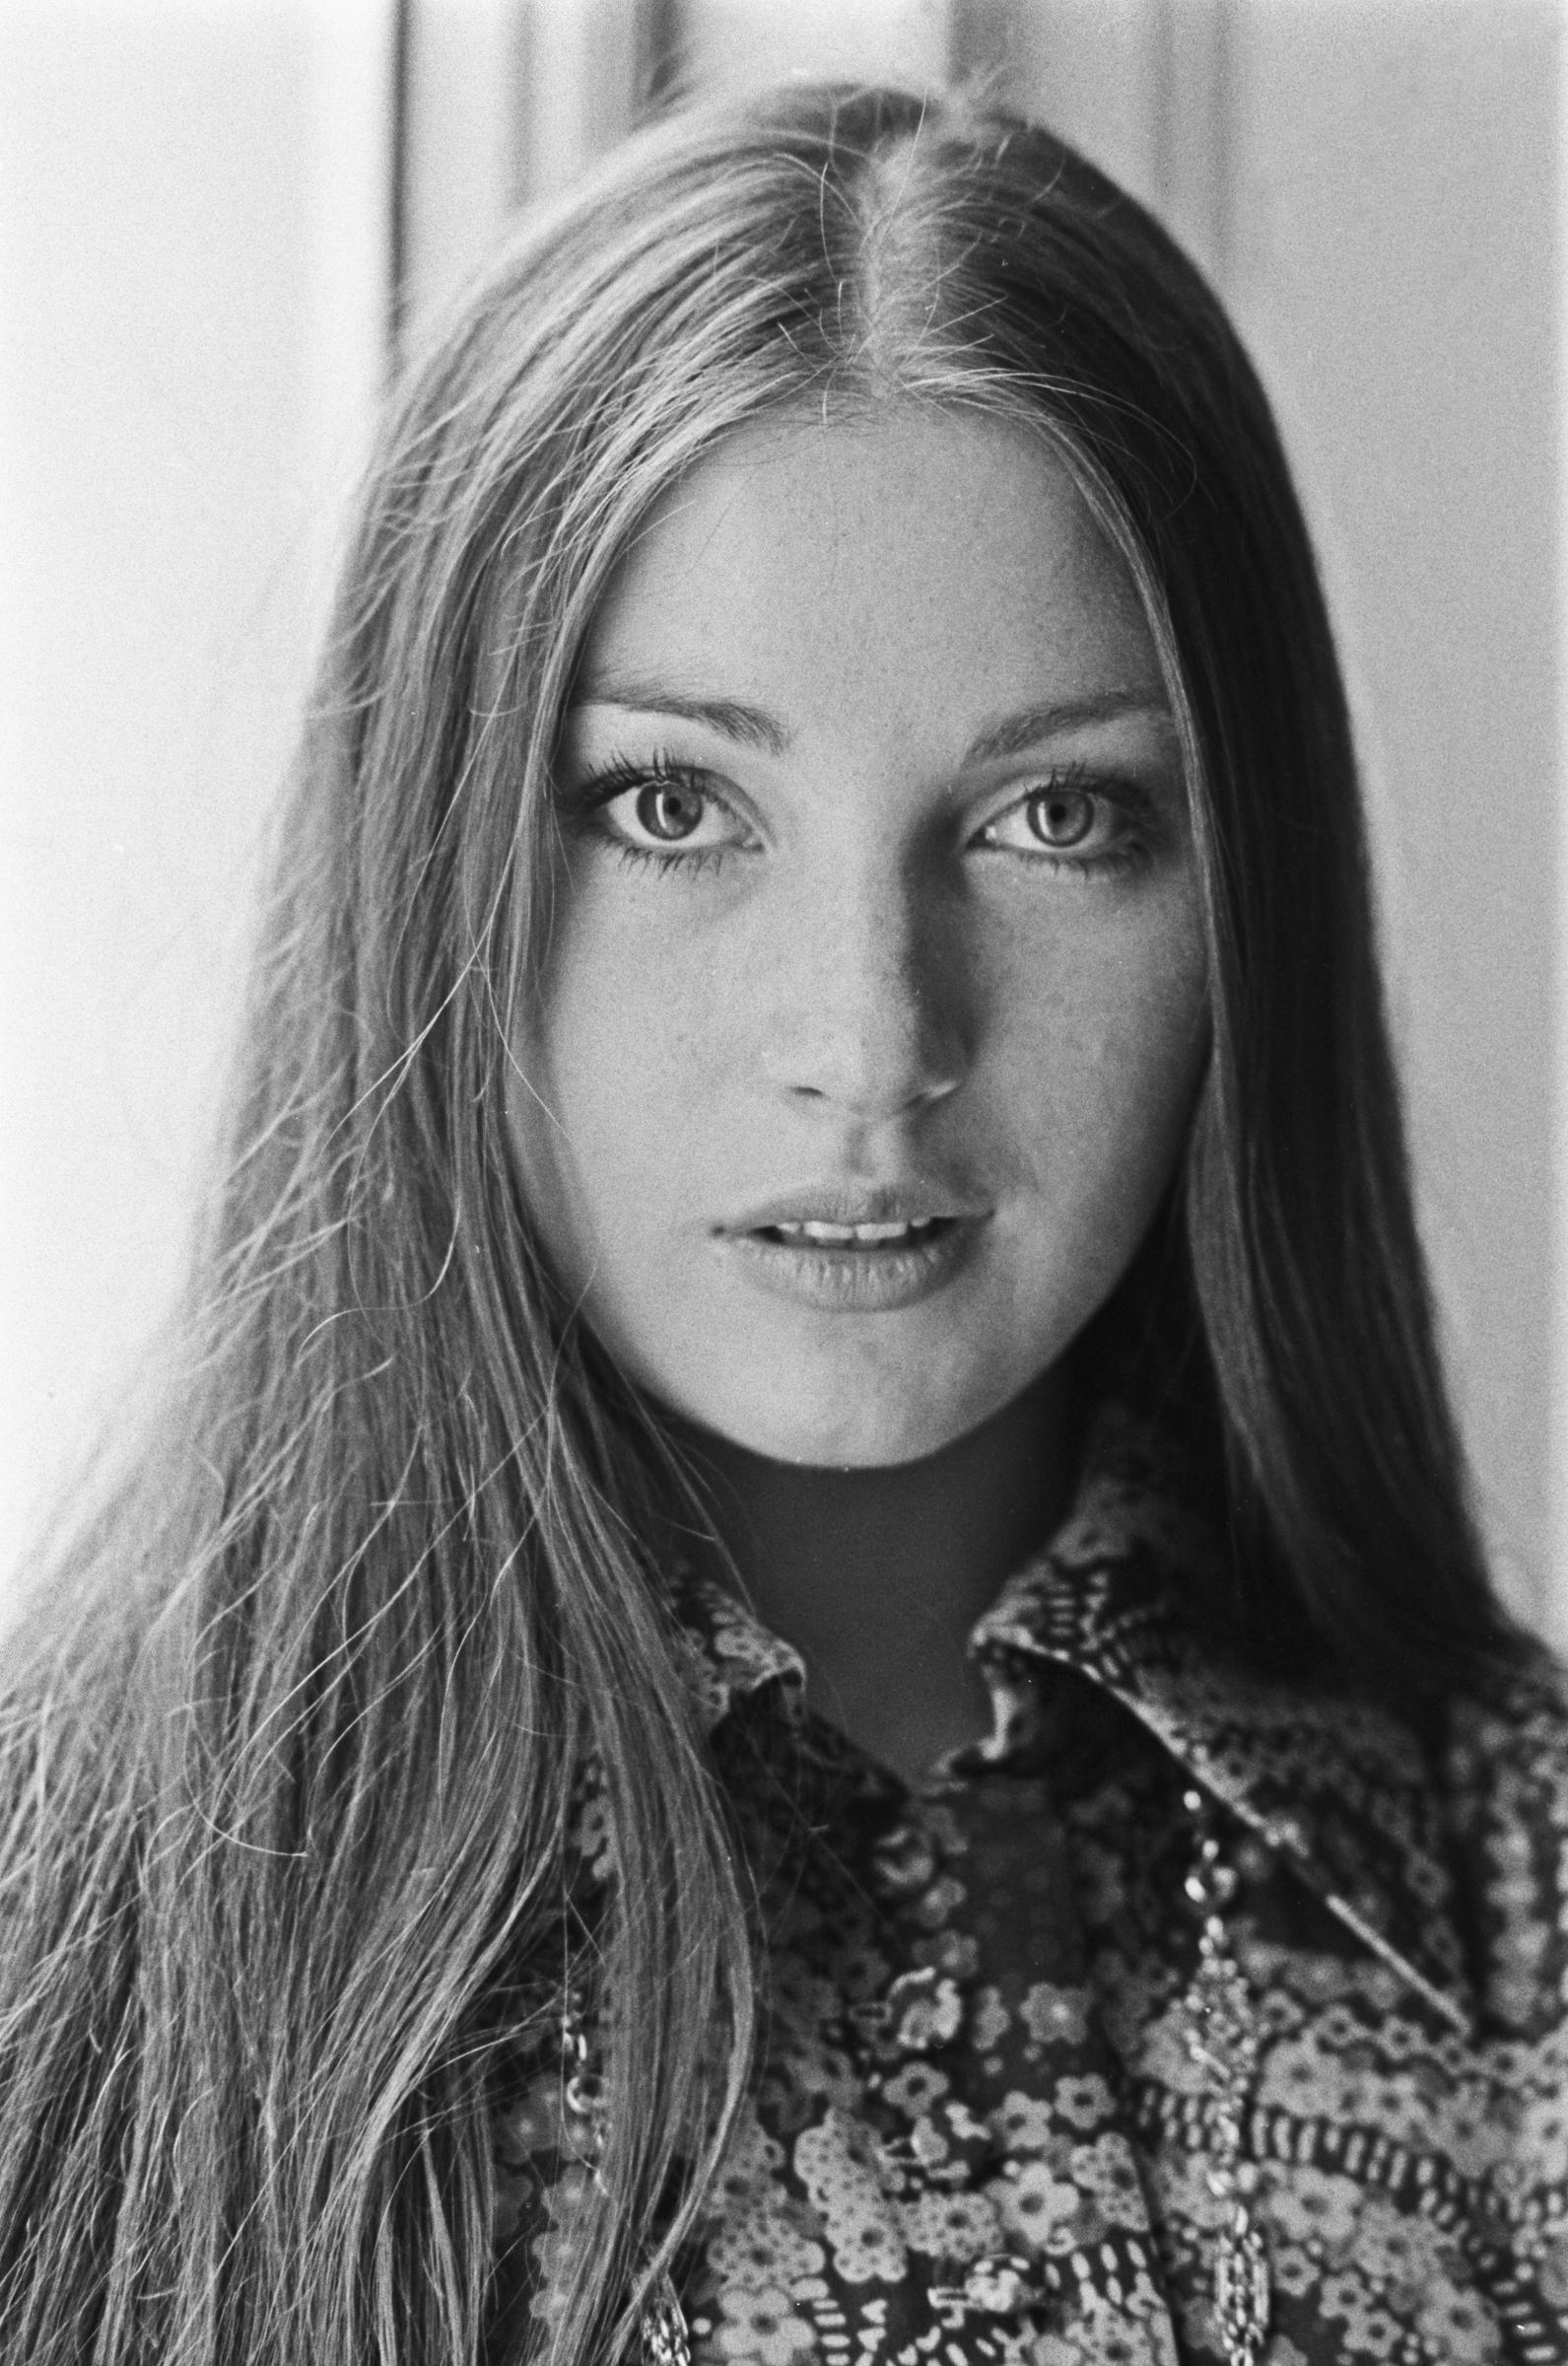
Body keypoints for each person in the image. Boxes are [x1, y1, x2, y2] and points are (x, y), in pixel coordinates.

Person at [1, 76, 1564, 2366]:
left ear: (1248, 899)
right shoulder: (69, 1949)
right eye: (669, 803)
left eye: (1055, 814)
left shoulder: (1520, 1923)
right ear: (425, 875)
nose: (869, 1034)